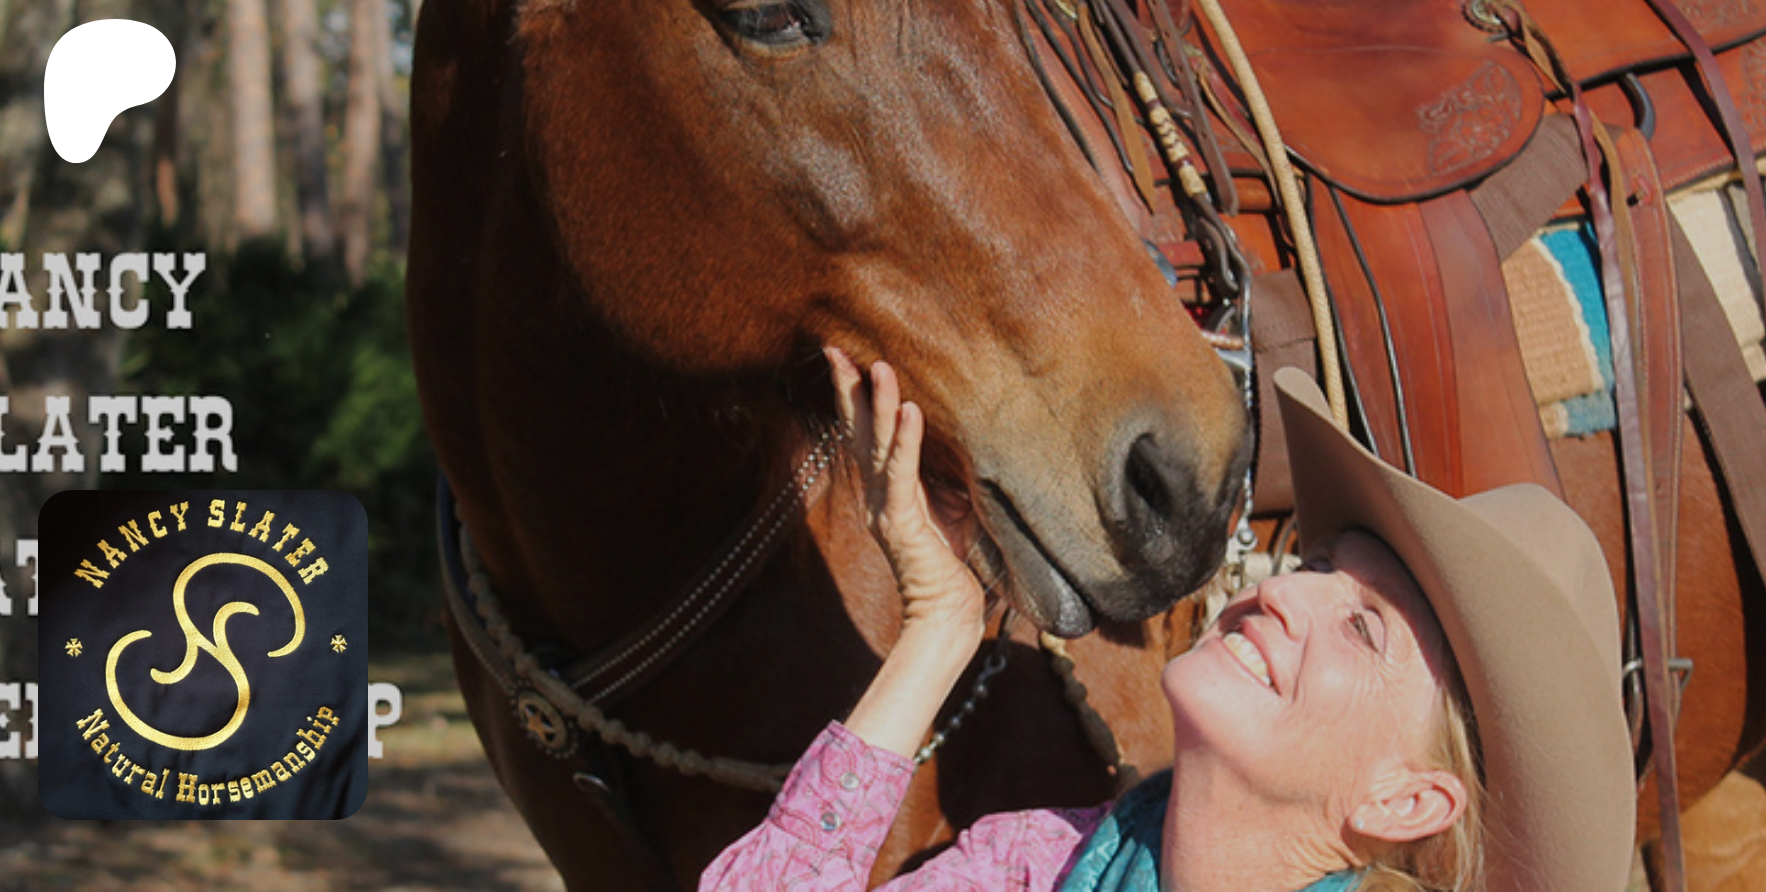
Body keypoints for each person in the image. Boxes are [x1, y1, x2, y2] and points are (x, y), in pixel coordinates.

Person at [699, 354, 1635, 892]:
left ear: (1403, 803)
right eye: (1315, 566)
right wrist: (941, 624)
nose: (1283, 590)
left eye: (1364, 627)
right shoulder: (1034, 862)